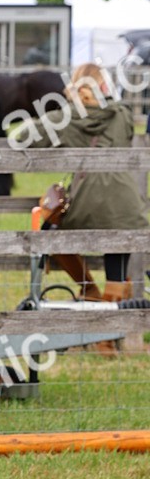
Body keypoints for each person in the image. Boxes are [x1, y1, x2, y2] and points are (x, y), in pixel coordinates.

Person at [19, 62, 148, 303]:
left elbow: (22, 138)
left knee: (51, 234)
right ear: (102, 86)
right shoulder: (122, 114)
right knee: (117, 256)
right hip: (125, 207)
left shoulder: (64, 119)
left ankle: (89, 289)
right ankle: (107, 333)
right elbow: (127, 134)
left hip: (84, 205)